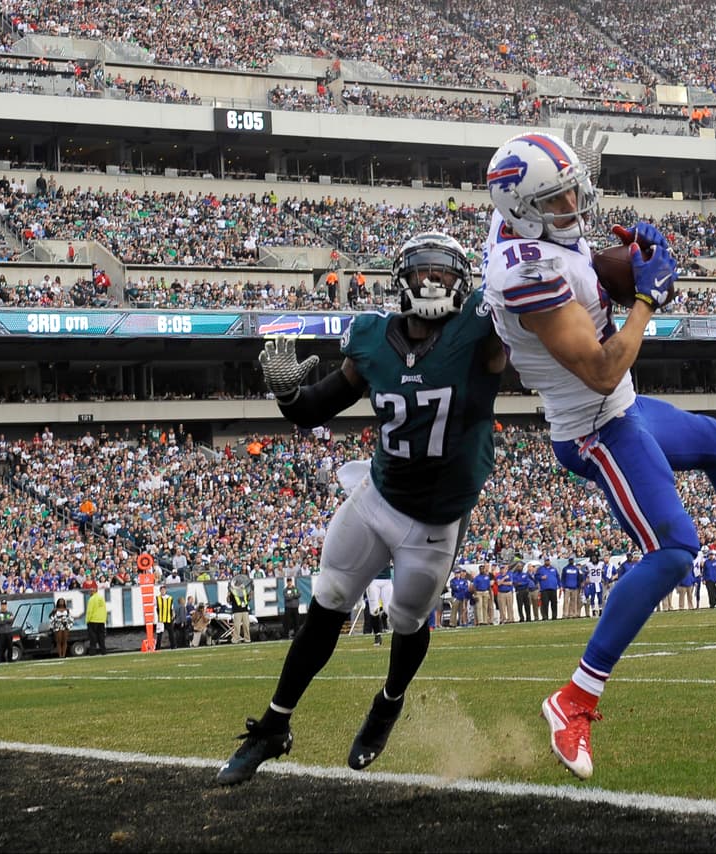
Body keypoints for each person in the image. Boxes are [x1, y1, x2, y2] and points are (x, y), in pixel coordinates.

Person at [483, 130, 716, 780]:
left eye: (572, 186)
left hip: (620, 408)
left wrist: (621, 259)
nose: (575, 200)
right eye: (560, 196)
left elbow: (578, 262)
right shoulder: (526, 274)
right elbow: (600, 367)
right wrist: (646, 296)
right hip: (596, 425)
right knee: (676, 548)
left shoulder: (529, 232)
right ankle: (575, 699)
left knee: (710, 439)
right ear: (526, 208)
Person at [216, 232, 505, 785]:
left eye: (443, 274)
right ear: (402, 280)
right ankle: (274, 726)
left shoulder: (479, 334)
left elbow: (517, 315)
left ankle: (389, 703)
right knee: (328, 600)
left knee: (406, 619)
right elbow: (315, 408)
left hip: (434, 521)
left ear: (462, 284)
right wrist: (285, 394)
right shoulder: (372, 339)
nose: (431, 281)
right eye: (422, 271)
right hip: (377, 498)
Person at [365, 564, 392, 644]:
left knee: (389, 609)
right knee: (374, 610)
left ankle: (383, 616)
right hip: (373, 580)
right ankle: (377, 635)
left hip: (387, 580)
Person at [86, 585, 107, 655]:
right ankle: (103, 651)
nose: (90, 592)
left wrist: (87, 620)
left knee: (93, 637)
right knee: (101, 637)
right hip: (101, 620)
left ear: (93, 591)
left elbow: (89, 611)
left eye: (91, 591)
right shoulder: (101, 598)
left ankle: (93, 651)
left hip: (93, 620)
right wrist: (104, 619)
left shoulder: (91, 599)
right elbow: (104, 609)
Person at [228, 580, 252, 644]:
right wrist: (228, 595)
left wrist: (250, 593)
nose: (241, 586)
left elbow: (249, 599)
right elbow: (229, 601)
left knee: (246, 625)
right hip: (237, 610)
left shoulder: (244, 591)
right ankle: (235, 639)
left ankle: (247, 639)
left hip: (245, 610)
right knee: (237, 626)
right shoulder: (233, 592)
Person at [156, 585, 177, 650]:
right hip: (161, 618)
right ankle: (158, 647)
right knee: (159, 633)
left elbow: (172, 608)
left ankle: (173, 646)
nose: (163, 591)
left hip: (168, 618)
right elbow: (156, 608)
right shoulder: (157, 598)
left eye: (164, 590)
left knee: (171, 633)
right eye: (161, 590)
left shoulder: (170, 598)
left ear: (165, 590)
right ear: (160, 591)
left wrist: (173, 615)